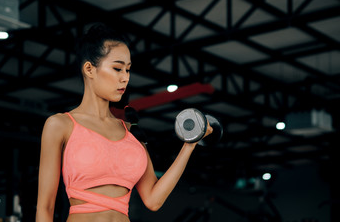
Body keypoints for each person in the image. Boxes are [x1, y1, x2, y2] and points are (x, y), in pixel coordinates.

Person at [35, 22, 213, 222]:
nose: (125, 78)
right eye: (117, 68)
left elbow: (154, 200)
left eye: (128, 70)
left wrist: (190, 144)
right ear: (89, 69)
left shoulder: (131, 131)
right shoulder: (60, 125)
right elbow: (45, 207)